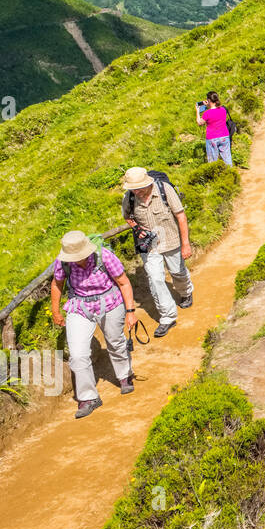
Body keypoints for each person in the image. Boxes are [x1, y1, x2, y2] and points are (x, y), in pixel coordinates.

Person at [51, 230, 139, 418]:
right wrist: (56, 311)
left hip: (110, 302)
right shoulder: (63, 262)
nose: (78, 260)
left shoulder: (104, 256)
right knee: (77, 354)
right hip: (79, 305)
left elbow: (123, 282)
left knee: (115, 341)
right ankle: (88, 397)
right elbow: (57, 284)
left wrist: (130, 311)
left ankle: (124, 375)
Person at [120, 166, 193, 338]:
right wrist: (137, 228)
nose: (136, 192)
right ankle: (167, 316)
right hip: (149, 245)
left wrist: (186, 244)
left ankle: (185, 292)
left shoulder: (164, 190)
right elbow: (128, 217)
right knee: (155, 279)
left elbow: (181, 216)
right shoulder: (129, 197)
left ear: (147, 184)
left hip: (171, 240)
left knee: (177, 272)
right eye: (133, 189)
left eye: (138, 188)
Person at [196, 90, 232, 166]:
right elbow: (215, 111)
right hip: (224, 136)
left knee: (213, 162)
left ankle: (214, 176)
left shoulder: (207, 113)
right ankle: (231, 174)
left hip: (212, 138)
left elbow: (199, 123)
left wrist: (197, 111)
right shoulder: (223, 109)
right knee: (227, 159)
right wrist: (208, 105)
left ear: (209, 100)